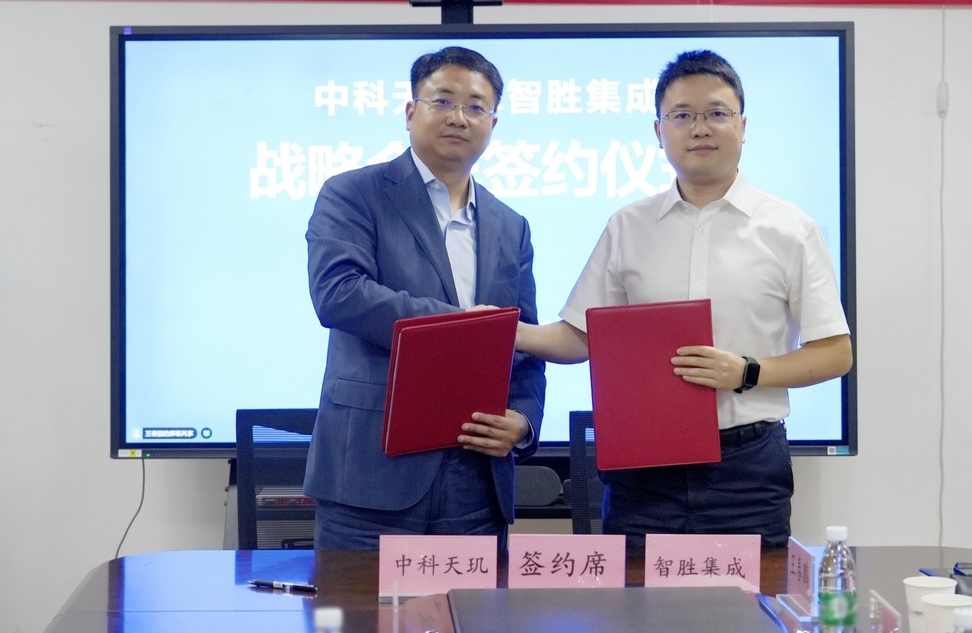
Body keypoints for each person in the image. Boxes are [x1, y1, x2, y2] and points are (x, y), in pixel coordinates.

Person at [517, 49, 852, 548]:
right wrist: (512, 333)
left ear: (743, 126)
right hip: (644, 469)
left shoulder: (790, 229)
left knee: (748, 598)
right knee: (637, 596)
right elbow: (580, 338)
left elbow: (835, 353)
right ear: (659, 131)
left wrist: (747, 372)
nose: (700, 128)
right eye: (682, 116)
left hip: (747, 469)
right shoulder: (628, 226)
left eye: (716, 113)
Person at [303, 46, 546, 550]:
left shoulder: (511, 225)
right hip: (371, 474)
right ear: (411, 111)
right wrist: (465, 324)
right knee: (357, 604)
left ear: (493, 123)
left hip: (475, 482)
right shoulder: (353, 194)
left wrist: (523, 421)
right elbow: (339, 294)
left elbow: (523, 341)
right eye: (443, 100)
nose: (459, 117)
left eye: (475, 106)